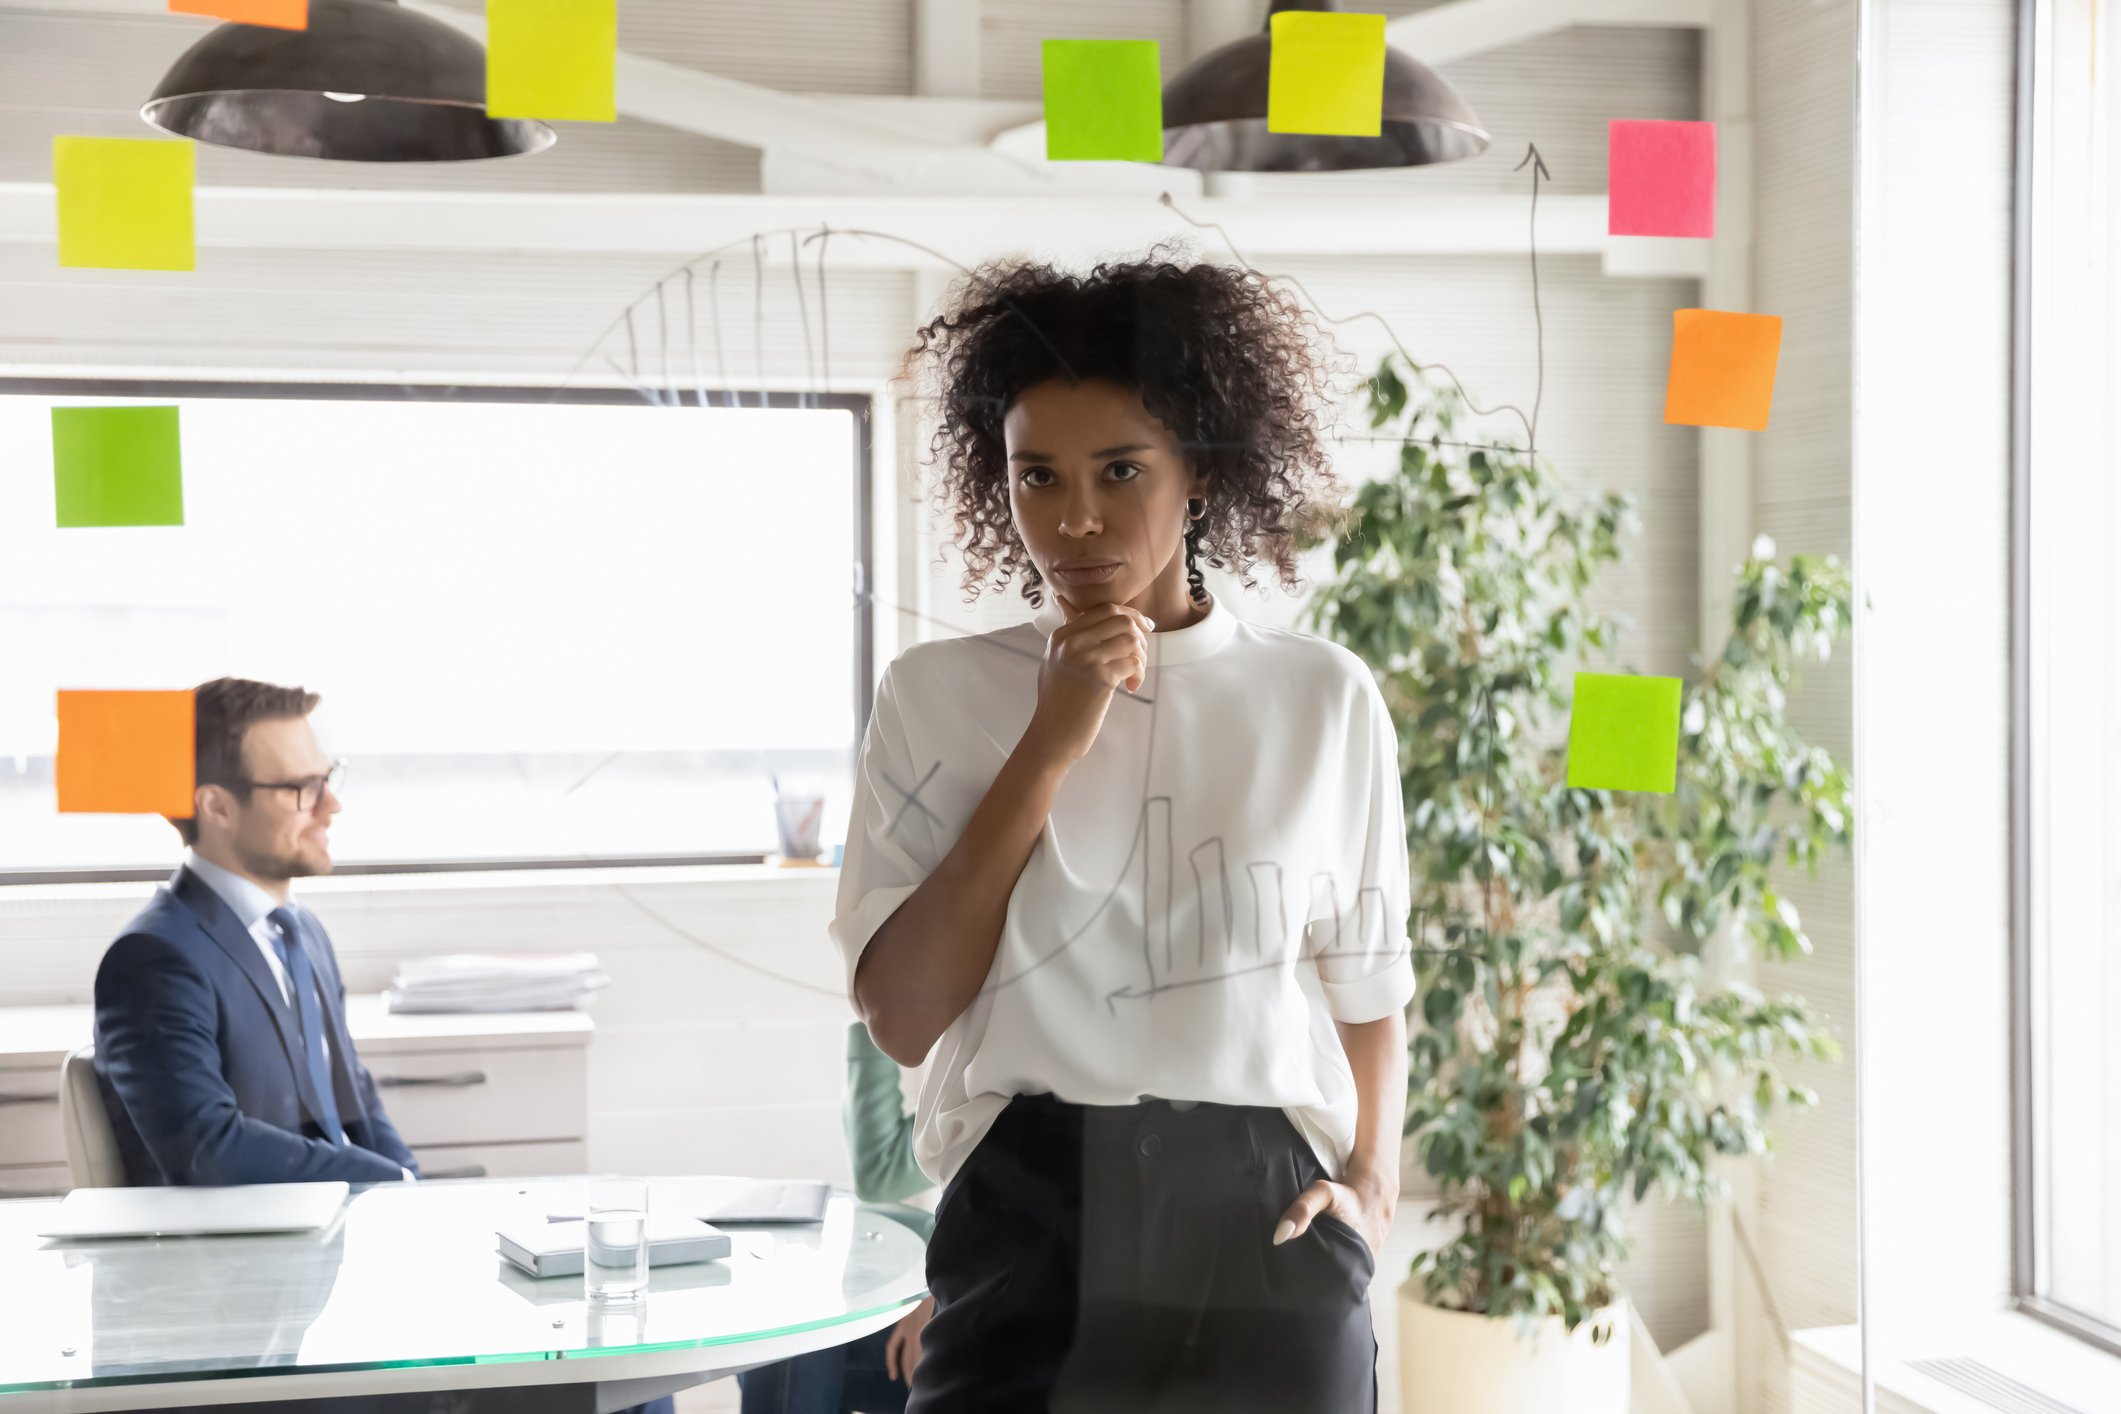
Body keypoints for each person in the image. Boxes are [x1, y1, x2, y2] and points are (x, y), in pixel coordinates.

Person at [835, 251, 1413, 1413]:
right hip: (1029, 1209)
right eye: (1037, 475)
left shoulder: (1322, 696)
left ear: (1198, 469)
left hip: (1266, 1222)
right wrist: (1052, 738)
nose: (1077, 518)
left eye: (1121, 470)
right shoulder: (932, 693)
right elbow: (900, 1012)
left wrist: (1371, 1195)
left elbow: (1369, 994)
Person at [92, 676, 420, 1186]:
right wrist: (385, 1180)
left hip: (329, 1231)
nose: (331, 805)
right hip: (236, 1256)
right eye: (300, 789)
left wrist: (412, 1186)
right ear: (217, 807)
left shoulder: (302, 933)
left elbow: (352, 1094)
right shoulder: (155, 958)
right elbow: (209, 1148)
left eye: (328, 779)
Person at [736, 1021, 937, 1413]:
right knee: (779, 1333)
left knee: (787, 1345)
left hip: (986, 1305)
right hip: (954, 1282)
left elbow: (879, 1172)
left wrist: (876, 1016)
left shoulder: (1003, 1064)